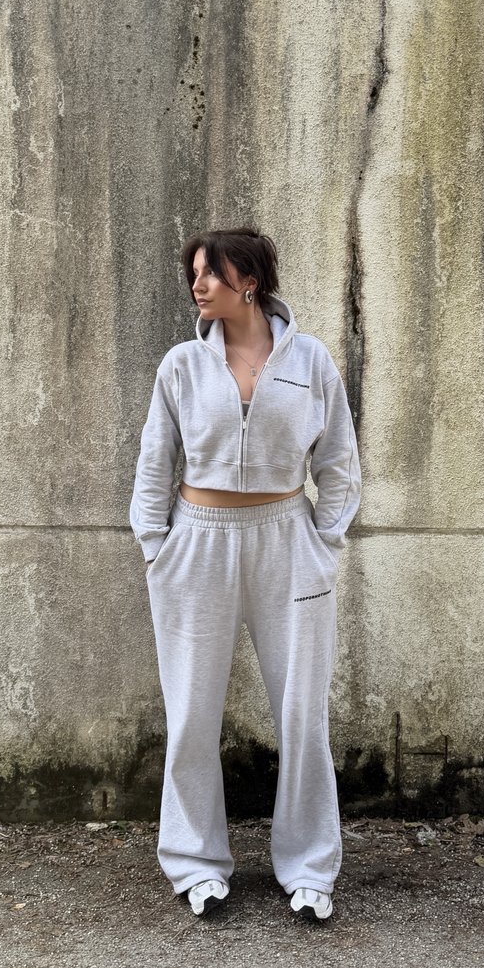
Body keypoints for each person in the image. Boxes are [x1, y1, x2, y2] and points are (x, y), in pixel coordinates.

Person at [129, 227, 361, 921]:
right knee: (193, 710)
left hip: (287, 537)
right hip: (197, 542)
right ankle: (197, 863)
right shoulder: (180, 366)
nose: (198, 285)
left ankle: (310, 868)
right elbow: (153, 465)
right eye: (194, 273)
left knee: (302, 711)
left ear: (250, 282)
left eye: (212, 274)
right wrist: (156, 548)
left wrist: (324, 541)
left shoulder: (311, 361)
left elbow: (339, 463)